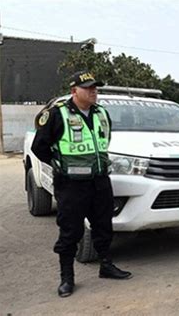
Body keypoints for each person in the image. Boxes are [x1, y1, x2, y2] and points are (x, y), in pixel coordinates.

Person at [31, 71, 132, 298]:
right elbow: (39, 147)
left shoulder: (102, 113)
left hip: (99, 180)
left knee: (104, 225)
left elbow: (103, 142)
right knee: (71, 230)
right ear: (74, 91)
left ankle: (106, 265)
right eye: (88, 87)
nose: (94, 91)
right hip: (71, 185)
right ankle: (67, 278)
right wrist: (61, 166)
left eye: (95, 87)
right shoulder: (57, 114)